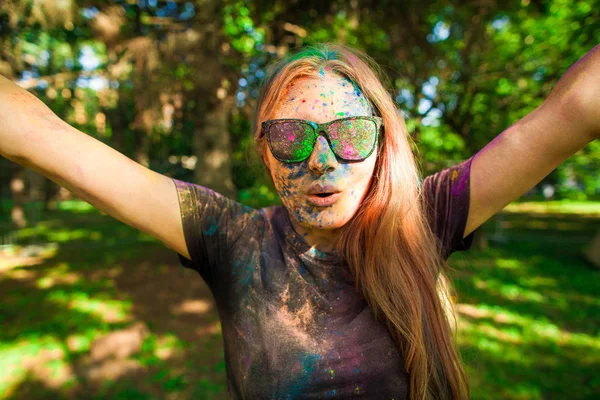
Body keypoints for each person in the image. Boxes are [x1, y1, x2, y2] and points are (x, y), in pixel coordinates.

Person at [0, 43, 598, 400]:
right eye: (291, 136)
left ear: (381, 144)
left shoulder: (424, 217)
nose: (321, 158)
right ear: (265, 151)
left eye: (349, 133)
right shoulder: (230, 239)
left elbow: (569, 113)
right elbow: (41, 138)